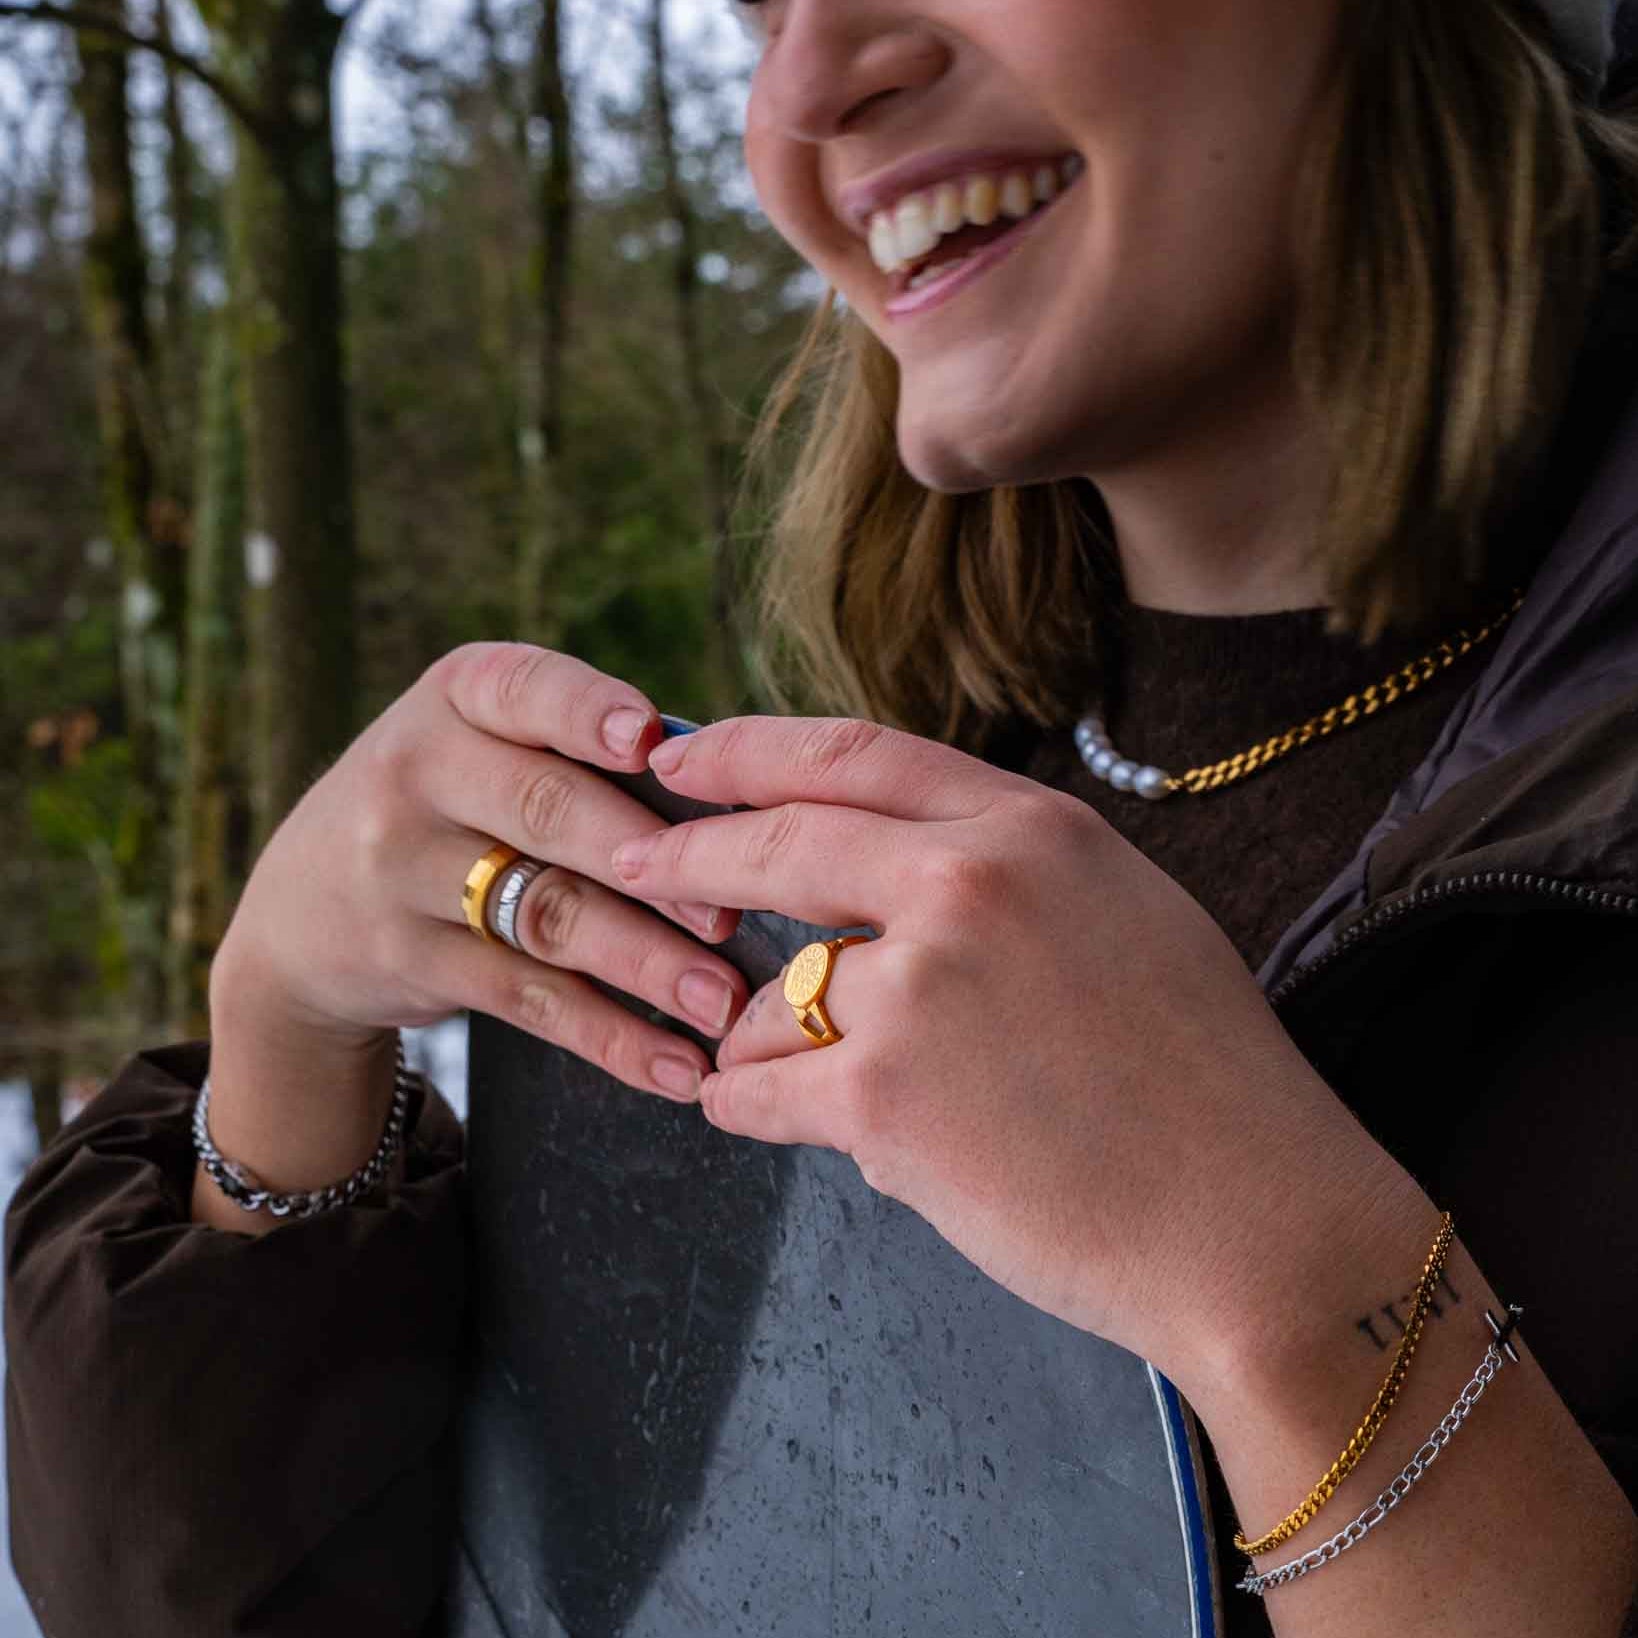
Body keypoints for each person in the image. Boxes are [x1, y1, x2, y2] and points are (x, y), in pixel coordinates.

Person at [7, 0, 1638, 1633]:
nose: (804, 88)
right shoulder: (823, 880)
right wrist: (284, 1035)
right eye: (757, 9)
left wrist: (1277, 1283)